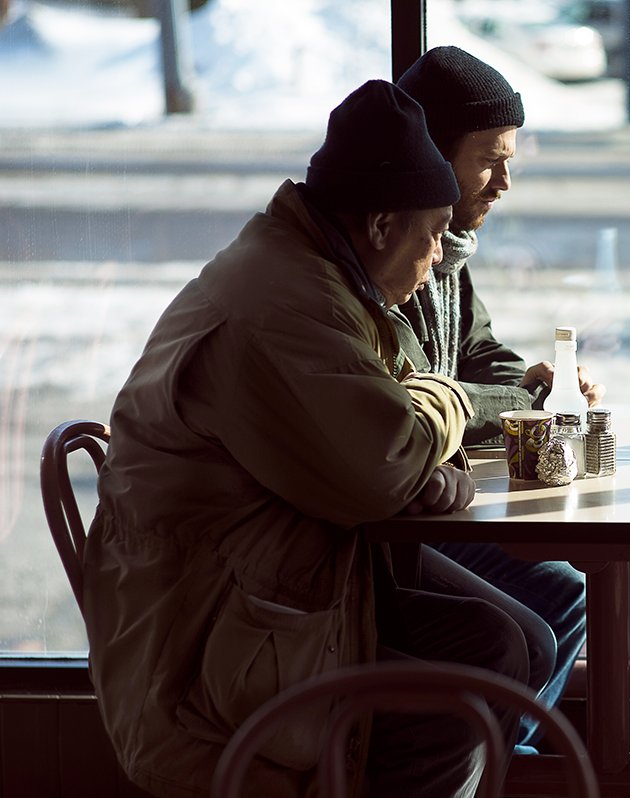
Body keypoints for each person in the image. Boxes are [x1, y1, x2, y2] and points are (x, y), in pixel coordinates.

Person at [80, 80, 531, 798]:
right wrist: (441, 413)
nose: (438, 255)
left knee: (512, 642)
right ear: (382, 226)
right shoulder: (290, 305)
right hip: (206, 648)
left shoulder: (319, 275)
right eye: (433, 231)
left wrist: (424, 453)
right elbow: (387, 465)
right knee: (480, 679)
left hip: (273, 581)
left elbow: (396, 445)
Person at [395, 45, 596, 753]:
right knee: (552, 600)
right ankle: (501, 760)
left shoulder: (447, 248)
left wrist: (536, 384)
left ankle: (503, 754)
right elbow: (416, 402)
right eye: (489, 158)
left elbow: (475, 353)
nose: (505, 181)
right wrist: (514, 395)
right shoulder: (399, 252)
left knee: (565, 591)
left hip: (418, 498)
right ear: (428, 155)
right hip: (381, 524)